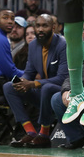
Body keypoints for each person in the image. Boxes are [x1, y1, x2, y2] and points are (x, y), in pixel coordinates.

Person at [4, 13, 68, 148]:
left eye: (45, 25)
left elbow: (62, 78)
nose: (40, 29)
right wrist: (23, 82)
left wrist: (32, 84)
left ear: (54, 27)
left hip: (61, 93)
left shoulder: (63, 44)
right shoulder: (33, 45)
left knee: (47, 87)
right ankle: (31, 132)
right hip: (43, 93)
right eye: (38, 26)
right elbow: (29, 72)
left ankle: (44, 134)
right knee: (9, 87)